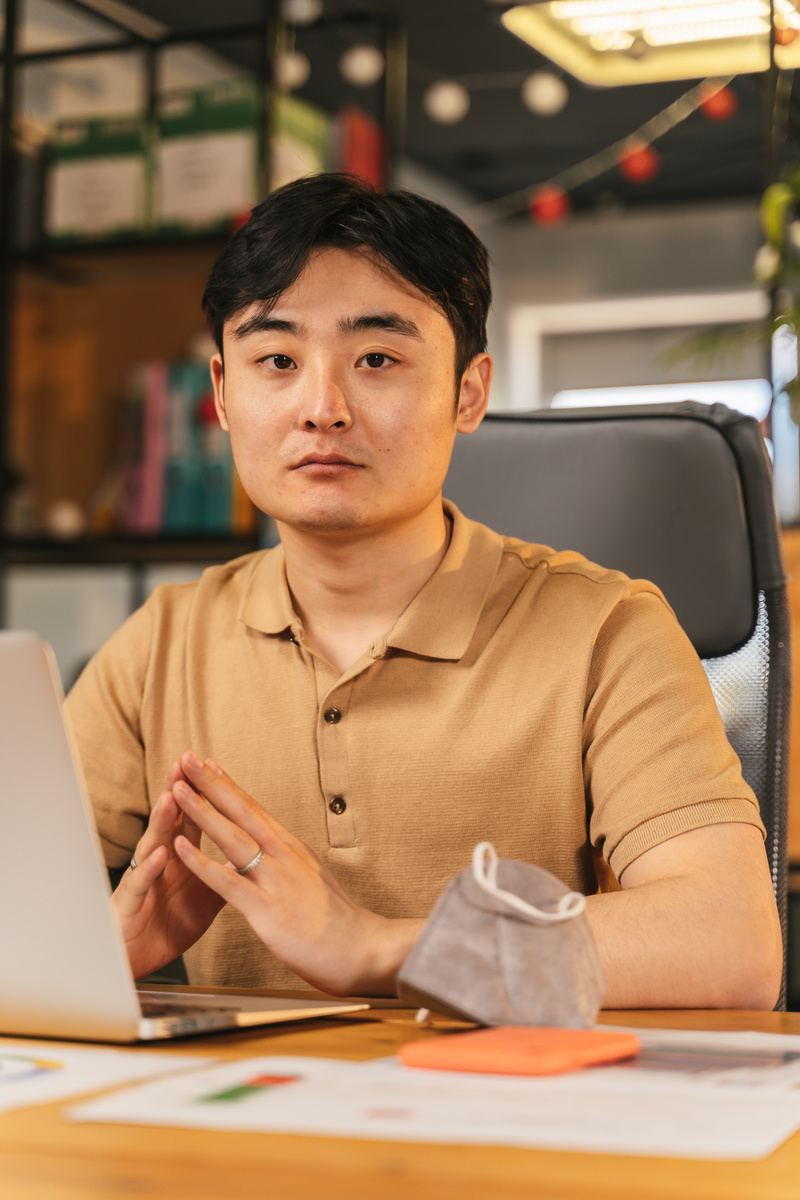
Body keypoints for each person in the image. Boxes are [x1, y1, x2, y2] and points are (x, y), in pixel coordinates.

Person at [65, 174, 782, 1009]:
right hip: (241, 1124)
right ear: (223, 395)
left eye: (377, 358)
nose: (321, 407)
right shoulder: (163, 642)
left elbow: (731, 943)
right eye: (277, 360)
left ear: (468, 392)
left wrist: (376, 948)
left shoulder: (608, 630)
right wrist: (95, 953)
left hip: (515, 1118)